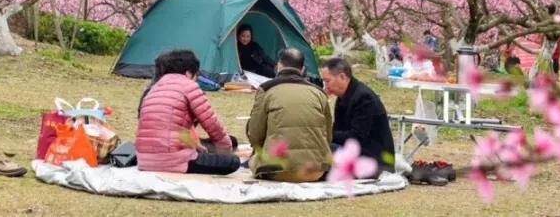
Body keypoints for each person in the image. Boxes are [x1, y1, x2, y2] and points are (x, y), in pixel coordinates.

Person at [137, 49, 240, 175]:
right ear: (188, 73)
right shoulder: (188, 86)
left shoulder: (153, 89)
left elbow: (170, 128)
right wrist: (225, 151)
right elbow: (212, 124)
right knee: (232, 162)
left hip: (144, 161)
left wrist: (194, 145)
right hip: (173, 160)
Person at [247, 48, 332, 182]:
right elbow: (328, 134)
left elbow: (254, 132)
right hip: (316, 171)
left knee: (254, 161)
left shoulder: (267, 89)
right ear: (303, 69)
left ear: (279, 65)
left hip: (277, 171)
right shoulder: (319, 93)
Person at [322, 57, 395, 174]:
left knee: (322, 152)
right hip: (357, 152)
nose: (325, 85)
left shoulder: (363, 98)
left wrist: (325, 134)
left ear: (342, 77)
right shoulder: (343, 97)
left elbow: (355, 138)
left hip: (374, 160)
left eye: (327, 81)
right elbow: (338, 130)